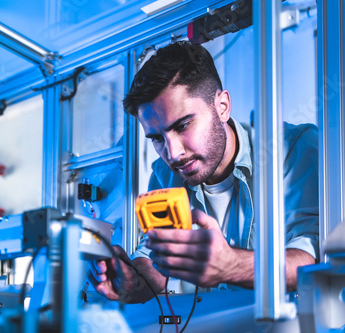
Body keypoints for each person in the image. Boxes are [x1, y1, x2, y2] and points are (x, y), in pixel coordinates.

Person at [88, 41, 319, 303]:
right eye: (157, 138)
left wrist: (231, 264)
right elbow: (157, 257)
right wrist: (133, 281)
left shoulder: (295, 148)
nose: (173, 153)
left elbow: (313, 258)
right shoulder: (165, 175)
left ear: (222, 106)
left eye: (183, 126)